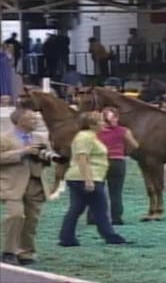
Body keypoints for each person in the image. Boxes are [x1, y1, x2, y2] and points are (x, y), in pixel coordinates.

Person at [58, 111, 128, 246]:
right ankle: (109, 235)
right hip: (87, 177)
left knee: (77, 208)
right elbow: (82, 158)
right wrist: (88, 179)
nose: (104, 124)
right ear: (92, 124)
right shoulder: (85, 137)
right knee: (100, 207)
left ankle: (67, 237)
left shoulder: (89, 136)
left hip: (84, 177)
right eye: (101, 121)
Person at [0, 109, 54, 265]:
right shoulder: (4, 138)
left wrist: (45, 157)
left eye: (36, 118)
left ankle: (26, 252)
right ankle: (9, 251)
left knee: (32, 220)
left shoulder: (40, 138)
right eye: (31, 119)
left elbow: (47, 159)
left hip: (35, 183)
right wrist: (23, 152)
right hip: (11, 184)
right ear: (19, 121)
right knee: (16, 216)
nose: (35, 121)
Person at [94, 107, 139, 225]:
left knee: (97, 190)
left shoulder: (96, 131)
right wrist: (125, 151)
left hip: (100, 161)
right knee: (116, 192)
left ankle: (94, 216)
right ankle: (116, 217)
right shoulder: (123, 131)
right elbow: (135, 145)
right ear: (117, 118)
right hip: (117, 161)